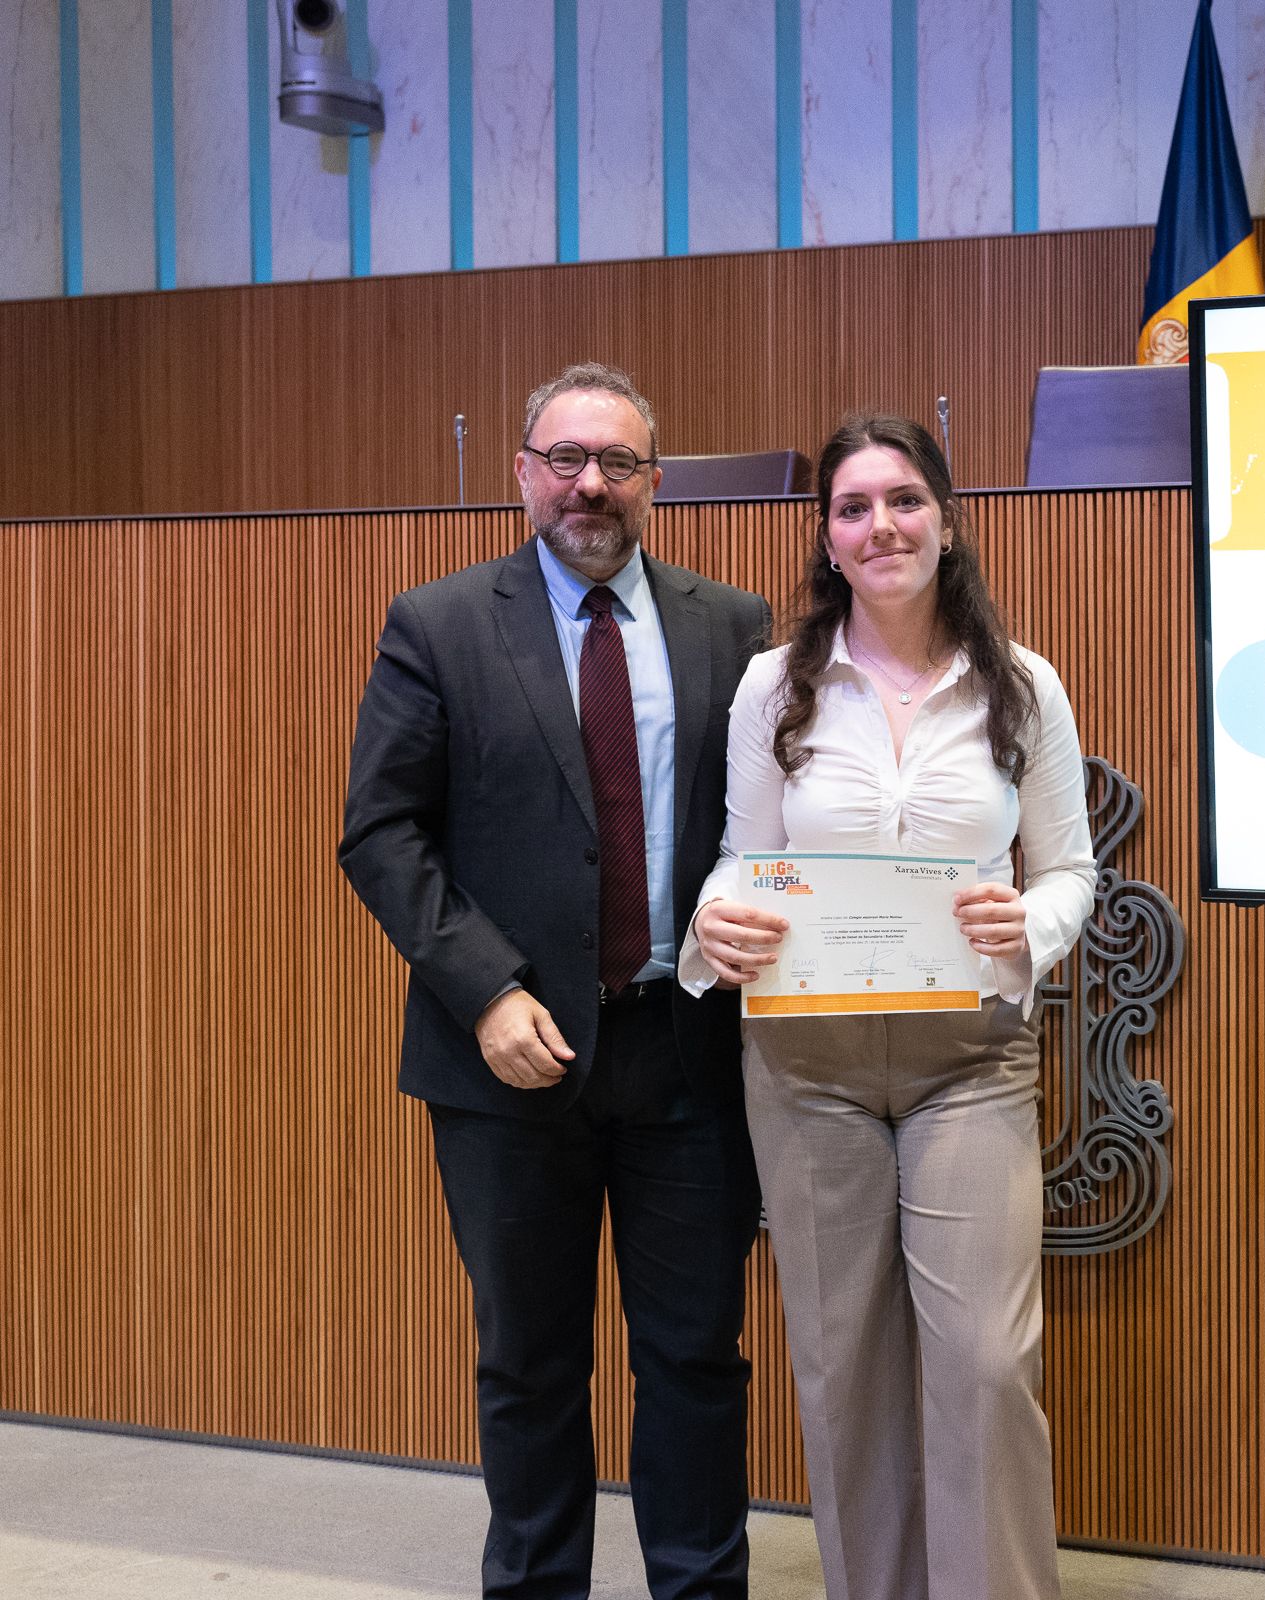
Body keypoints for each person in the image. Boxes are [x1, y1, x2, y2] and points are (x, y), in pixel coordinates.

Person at [339, 362, 772, 1599]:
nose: (592, 483)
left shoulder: (730, 626)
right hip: (507, 1059)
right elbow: (383, 834)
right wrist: (484, 989)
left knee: (695, 1357)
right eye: (566, 458)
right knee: (529, 1363)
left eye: (620, 463)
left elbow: (760, 832)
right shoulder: (438, 623)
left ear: (657, 482)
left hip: (685, 1052)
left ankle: (701, 1584)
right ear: (523, 470)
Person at [684, 413, 1097, 1600]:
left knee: (982, 1365)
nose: (882, 526)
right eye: (854, 507)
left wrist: (1039, 924)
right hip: (804, 1067)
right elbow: (740, 858)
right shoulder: (777, 684)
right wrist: (716, 927)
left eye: (905, 500)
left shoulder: (1023, 687)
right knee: (843, 1367)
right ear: (827, 538)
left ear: (948, 520)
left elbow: (1069, 867)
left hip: (969, 1060)